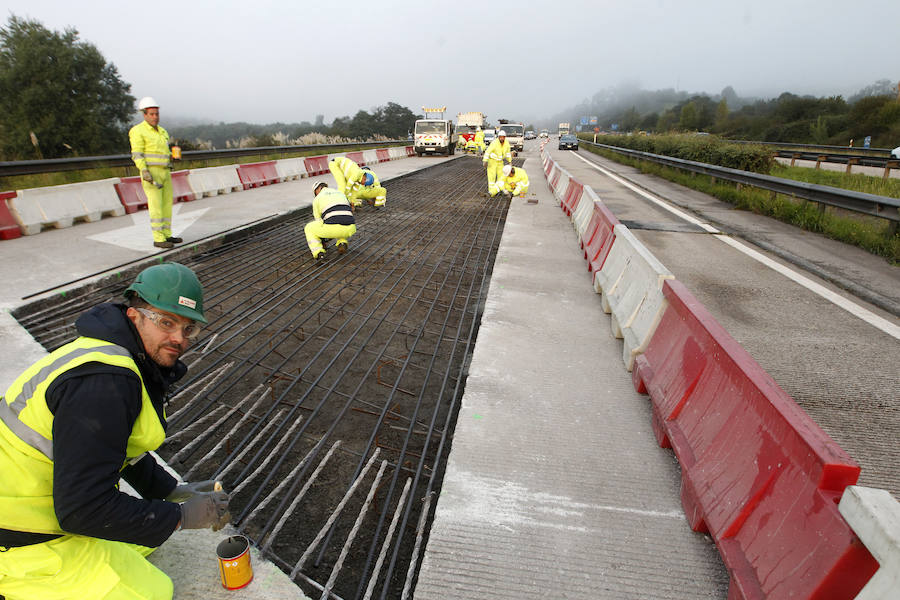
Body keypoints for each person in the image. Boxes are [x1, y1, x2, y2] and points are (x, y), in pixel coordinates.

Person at [0, 262, 230, 600]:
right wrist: (179, 517)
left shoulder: (119, 356)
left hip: (43, 499)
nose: (178, 339)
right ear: (134, 316)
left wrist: (169, 490)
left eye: (188, 328)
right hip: (18, 529)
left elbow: (115, 446)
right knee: (150, 592)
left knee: (141, 550)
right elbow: (83, 510)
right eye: (166, 322)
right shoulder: (104, 383)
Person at [129, 97, 181, 249]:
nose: (155, 117)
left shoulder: (162, 131)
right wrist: (144, 170)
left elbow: (162, 152)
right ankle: (158, 238)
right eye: (151, 114)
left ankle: (167, 234)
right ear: (144, 114)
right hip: (151, 174)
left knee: (166, 205)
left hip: (165, 172)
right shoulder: (138, 131)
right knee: (156, 206)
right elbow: (137, 154)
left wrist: (173, 157)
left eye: (157, 114)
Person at [305, 182, 357, 260]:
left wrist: (323, 238)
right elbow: (350, 210)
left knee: (309, 228)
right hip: (351, 228)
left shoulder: (317, 198)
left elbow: (319, 221)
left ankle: (319, 253)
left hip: (335, 229)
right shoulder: (340, 193)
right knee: (340, 219)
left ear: (317, 189)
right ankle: (342, 242)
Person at [482, 129, 512, 197]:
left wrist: (510, 161)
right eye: (500, 137)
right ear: (498, 137)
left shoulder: (506, 144)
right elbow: (488, 152)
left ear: (505, 137)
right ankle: (492, 192)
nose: (502, 138)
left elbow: (507, 154)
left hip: (500, 162)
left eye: (503, 137)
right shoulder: (494, 143)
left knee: (501, 177)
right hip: (492, 162)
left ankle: (500, 189)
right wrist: (485, 161)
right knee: (491, 178)